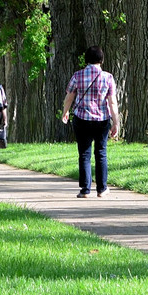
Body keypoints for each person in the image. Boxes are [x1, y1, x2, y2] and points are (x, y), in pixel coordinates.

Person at [61, 46, 118, 197]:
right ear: (102, 59)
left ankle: (85, 190)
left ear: (86, 59)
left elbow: (69, 97)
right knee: (101, 153)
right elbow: (112, 102)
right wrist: (116, 122)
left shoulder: (77, 75)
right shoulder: (108, 77)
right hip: (102, 119)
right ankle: (102, 188)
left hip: (82, 118)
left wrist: (65, 112)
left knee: (84, 154)